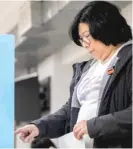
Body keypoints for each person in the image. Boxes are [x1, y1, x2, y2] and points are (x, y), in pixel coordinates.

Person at [15, 1, 132, 148]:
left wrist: (93, 126)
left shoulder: (129, 58)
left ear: (104, 28)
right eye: (82, 39)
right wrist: (39, 127)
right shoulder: (87, 69)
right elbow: (69, 113)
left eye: (87, 36)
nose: (85, 44)